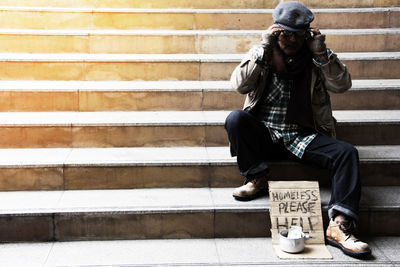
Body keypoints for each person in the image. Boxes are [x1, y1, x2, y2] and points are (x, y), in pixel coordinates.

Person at [224, 1, 371, 258]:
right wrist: (263, 49)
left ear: (307, 34)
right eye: (284, 33)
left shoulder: (316, 57)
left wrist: (322, 54)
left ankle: (339, 225)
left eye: (297, 34)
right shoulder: (264, 53)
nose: (290, 39)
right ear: (275, 31)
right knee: (235, 119)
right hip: (267, 133)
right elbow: (239, 84)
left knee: (346, 152)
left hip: (302, 136)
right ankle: (256, 177)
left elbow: (342, 85)